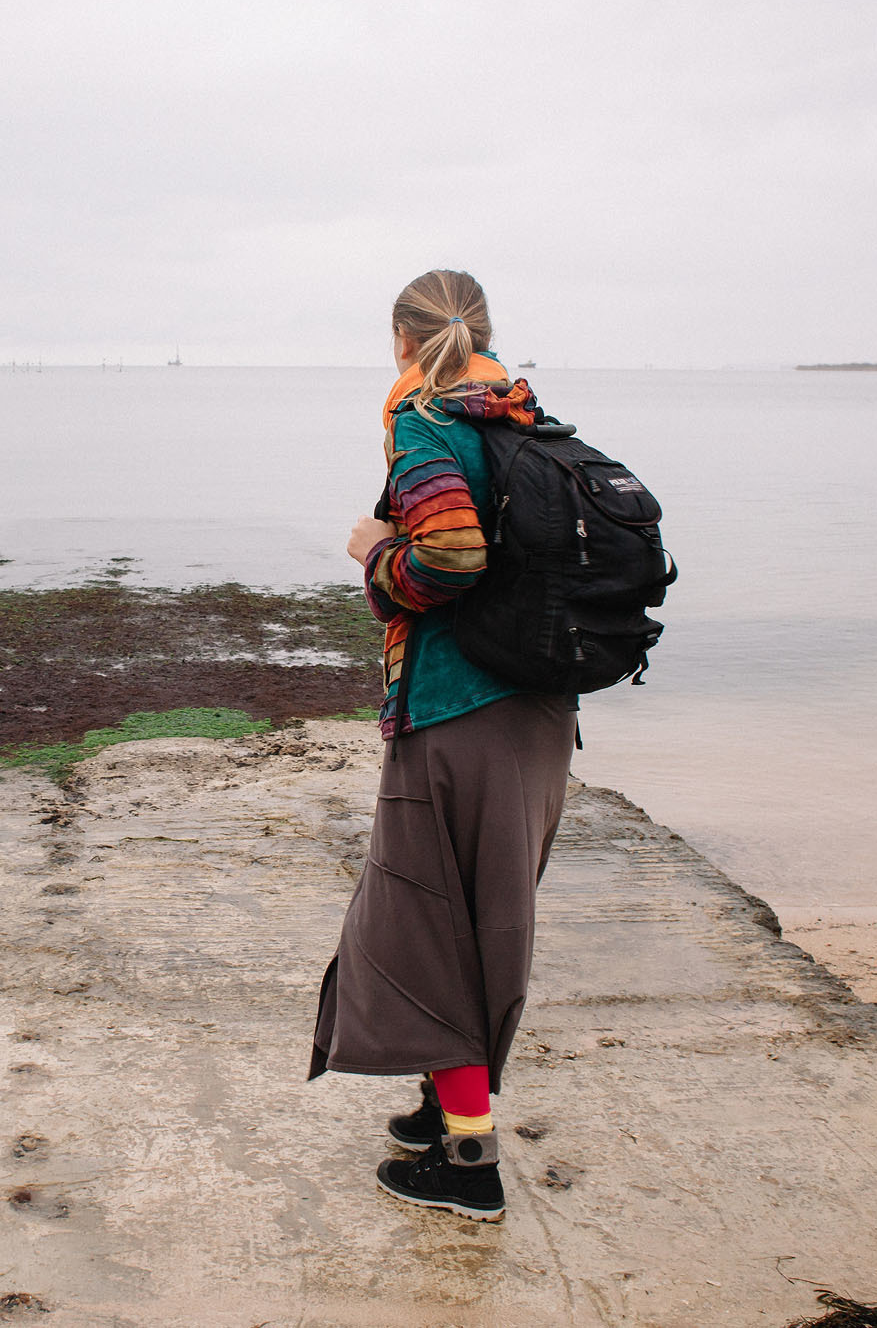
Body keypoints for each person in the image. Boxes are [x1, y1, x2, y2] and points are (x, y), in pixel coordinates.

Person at [309, 269, 578, 1222]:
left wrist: (372, 554)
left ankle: (469, 1161)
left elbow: (454, 554)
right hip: (541, 713)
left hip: (461, 714)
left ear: (399, 340)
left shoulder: (423, 421)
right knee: (483, 913)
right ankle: (438, 1101)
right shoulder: (521, 413)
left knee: (428, 926)